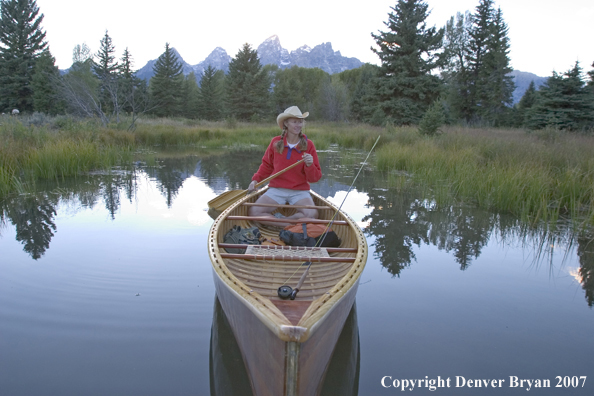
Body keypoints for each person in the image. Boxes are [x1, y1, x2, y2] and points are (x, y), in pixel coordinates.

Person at [247, 106, 322, 227]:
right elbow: (266, 166)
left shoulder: (309, 145)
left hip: (299, 191)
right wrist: (255, 180)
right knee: (253, 212)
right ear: (286, 123)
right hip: (277, 189)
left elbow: (315, 178)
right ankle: (290, 224)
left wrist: (309, 165)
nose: (298, 125)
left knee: (312, 214)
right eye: (294, 122)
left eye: (300, 122)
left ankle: (280, 222)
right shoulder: (275, 142)